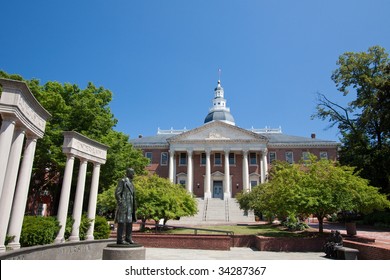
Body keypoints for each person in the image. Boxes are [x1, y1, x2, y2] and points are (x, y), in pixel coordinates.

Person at [115, 168, 137, 245]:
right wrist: (121, 203)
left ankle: (128, 238)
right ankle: (120, 239)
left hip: (130, 206)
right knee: (122, 222)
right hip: (124, 205)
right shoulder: (123, 181)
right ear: (128, 173)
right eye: (132, 173)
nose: (133, 175)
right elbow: (117, 193)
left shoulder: (132, 183)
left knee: (129, 222)